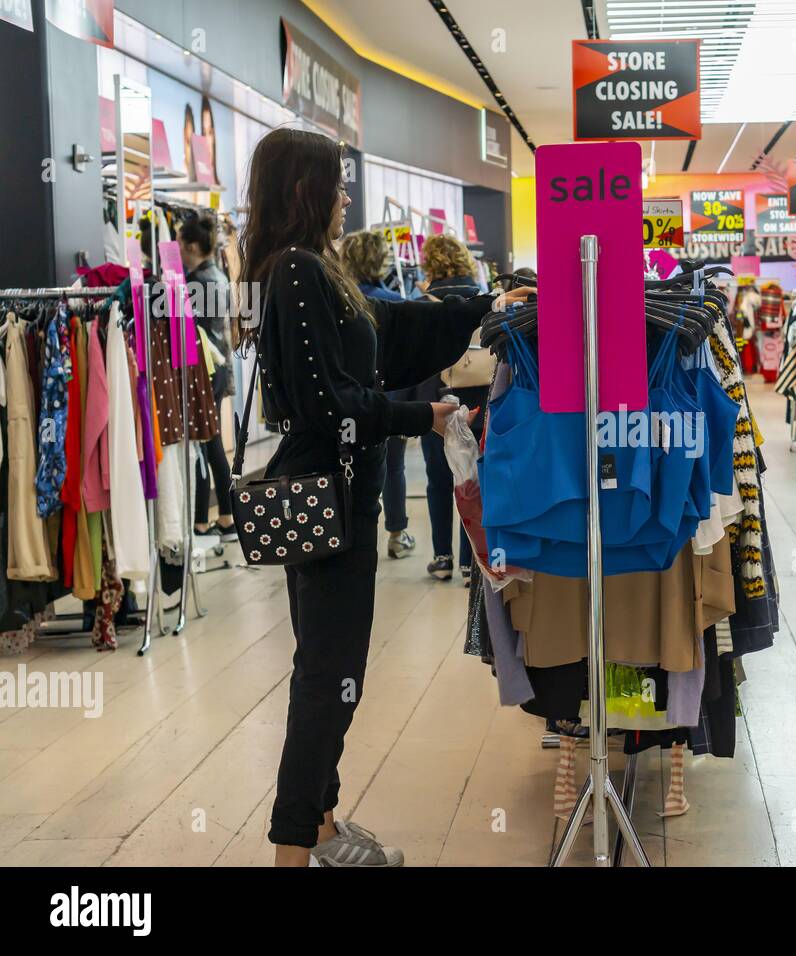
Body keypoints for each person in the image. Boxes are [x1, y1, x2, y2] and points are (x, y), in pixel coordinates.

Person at [236, 128, 533, 867]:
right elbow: (327, 403)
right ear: (304, 189)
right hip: (329, 497)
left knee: (330, 668)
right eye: (335, 184)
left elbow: (394, 331)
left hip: (339, 494)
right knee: (328, 678)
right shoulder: (299, 272)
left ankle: (324, 822)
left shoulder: (311, 269)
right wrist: (419, 417)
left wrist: (486, 305)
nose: (345, 198)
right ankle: (291, 848)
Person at [339, 229, 416, 560]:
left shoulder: (338, 301)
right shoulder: (397, 303)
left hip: (347, 399)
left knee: (346, 464)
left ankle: (344, 530)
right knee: (393, 466)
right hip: (392, 398)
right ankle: (396, 533)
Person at [418, 234, 491, 584]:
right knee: (471, 478)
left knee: (438, 480)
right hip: (480, 399)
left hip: (437, 400)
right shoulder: (484, 298)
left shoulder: (423, 303)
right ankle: (469, 561)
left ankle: (442, 556)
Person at [181, 212, 236, 540]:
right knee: (211, 441)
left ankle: (203, 522)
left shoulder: (196, 282)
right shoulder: (216, 275)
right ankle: (225, 518)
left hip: (205, 369)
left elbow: (191, 333)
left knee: (204, 441)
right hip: (217, 367)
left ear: (190, 246)